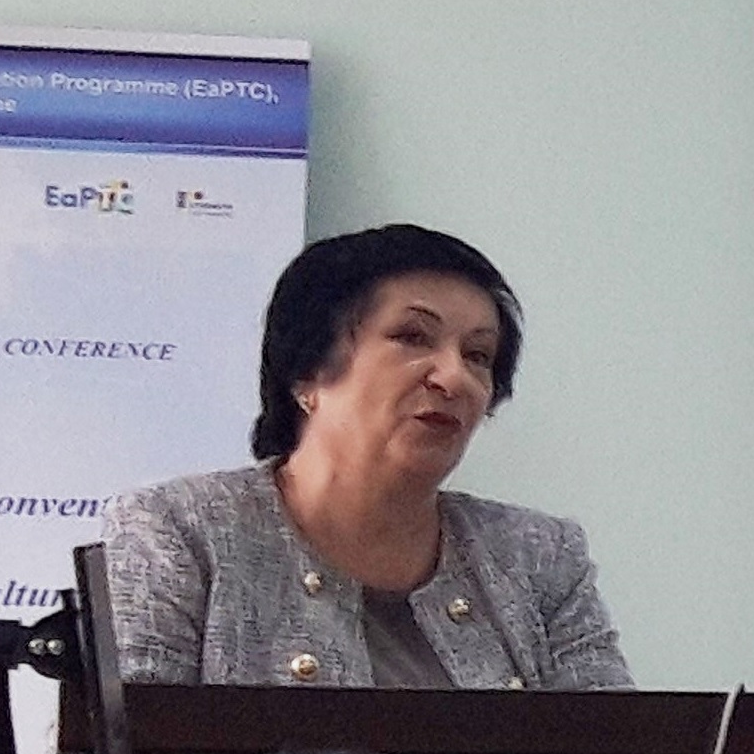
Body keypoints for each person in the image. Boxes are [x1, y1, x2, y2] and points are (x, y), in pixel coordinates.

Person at [102, 223, 631, 692]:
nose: (454, 378)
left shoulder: (539, 558)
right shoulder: (179, 530)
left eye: (478, 355)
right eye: (412, 337)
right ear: (308, 372)